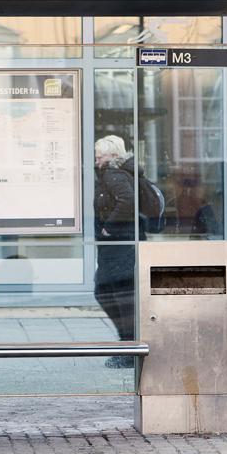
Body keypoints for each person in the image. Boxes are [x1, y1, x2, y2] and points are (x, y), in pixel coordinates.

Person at [94, 135, 137, 368]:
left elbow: (127, 200)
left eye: (100, 156)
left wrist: (109, 227)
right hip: (120, 246)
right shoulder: (119, 173)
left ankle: (129, 348)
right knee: (114, 294)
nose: (96, 160)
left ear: (113, 156)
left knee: (113, 295)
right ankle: (128, 345)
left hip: (119, 246)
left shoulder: (113, 174)